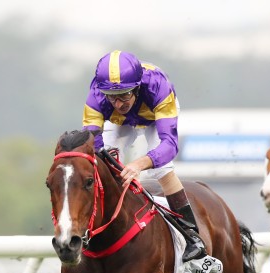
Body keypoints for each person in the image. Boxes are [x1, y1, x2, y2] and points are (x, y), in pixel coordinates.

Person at [82, 50, 206, 262]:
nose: (119, 104)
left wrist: (140, 163)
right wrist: (108, 158)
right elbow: (93, 145)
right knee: (103, 165)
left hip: (153, 117)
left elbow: (169, 145)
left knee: (161, 168)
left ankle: (192, 236)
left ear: (138, 87)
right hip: (118, 123)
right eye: (111, 97)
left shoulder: (159, 87)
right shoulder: (96, 97)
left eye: (124, 95)